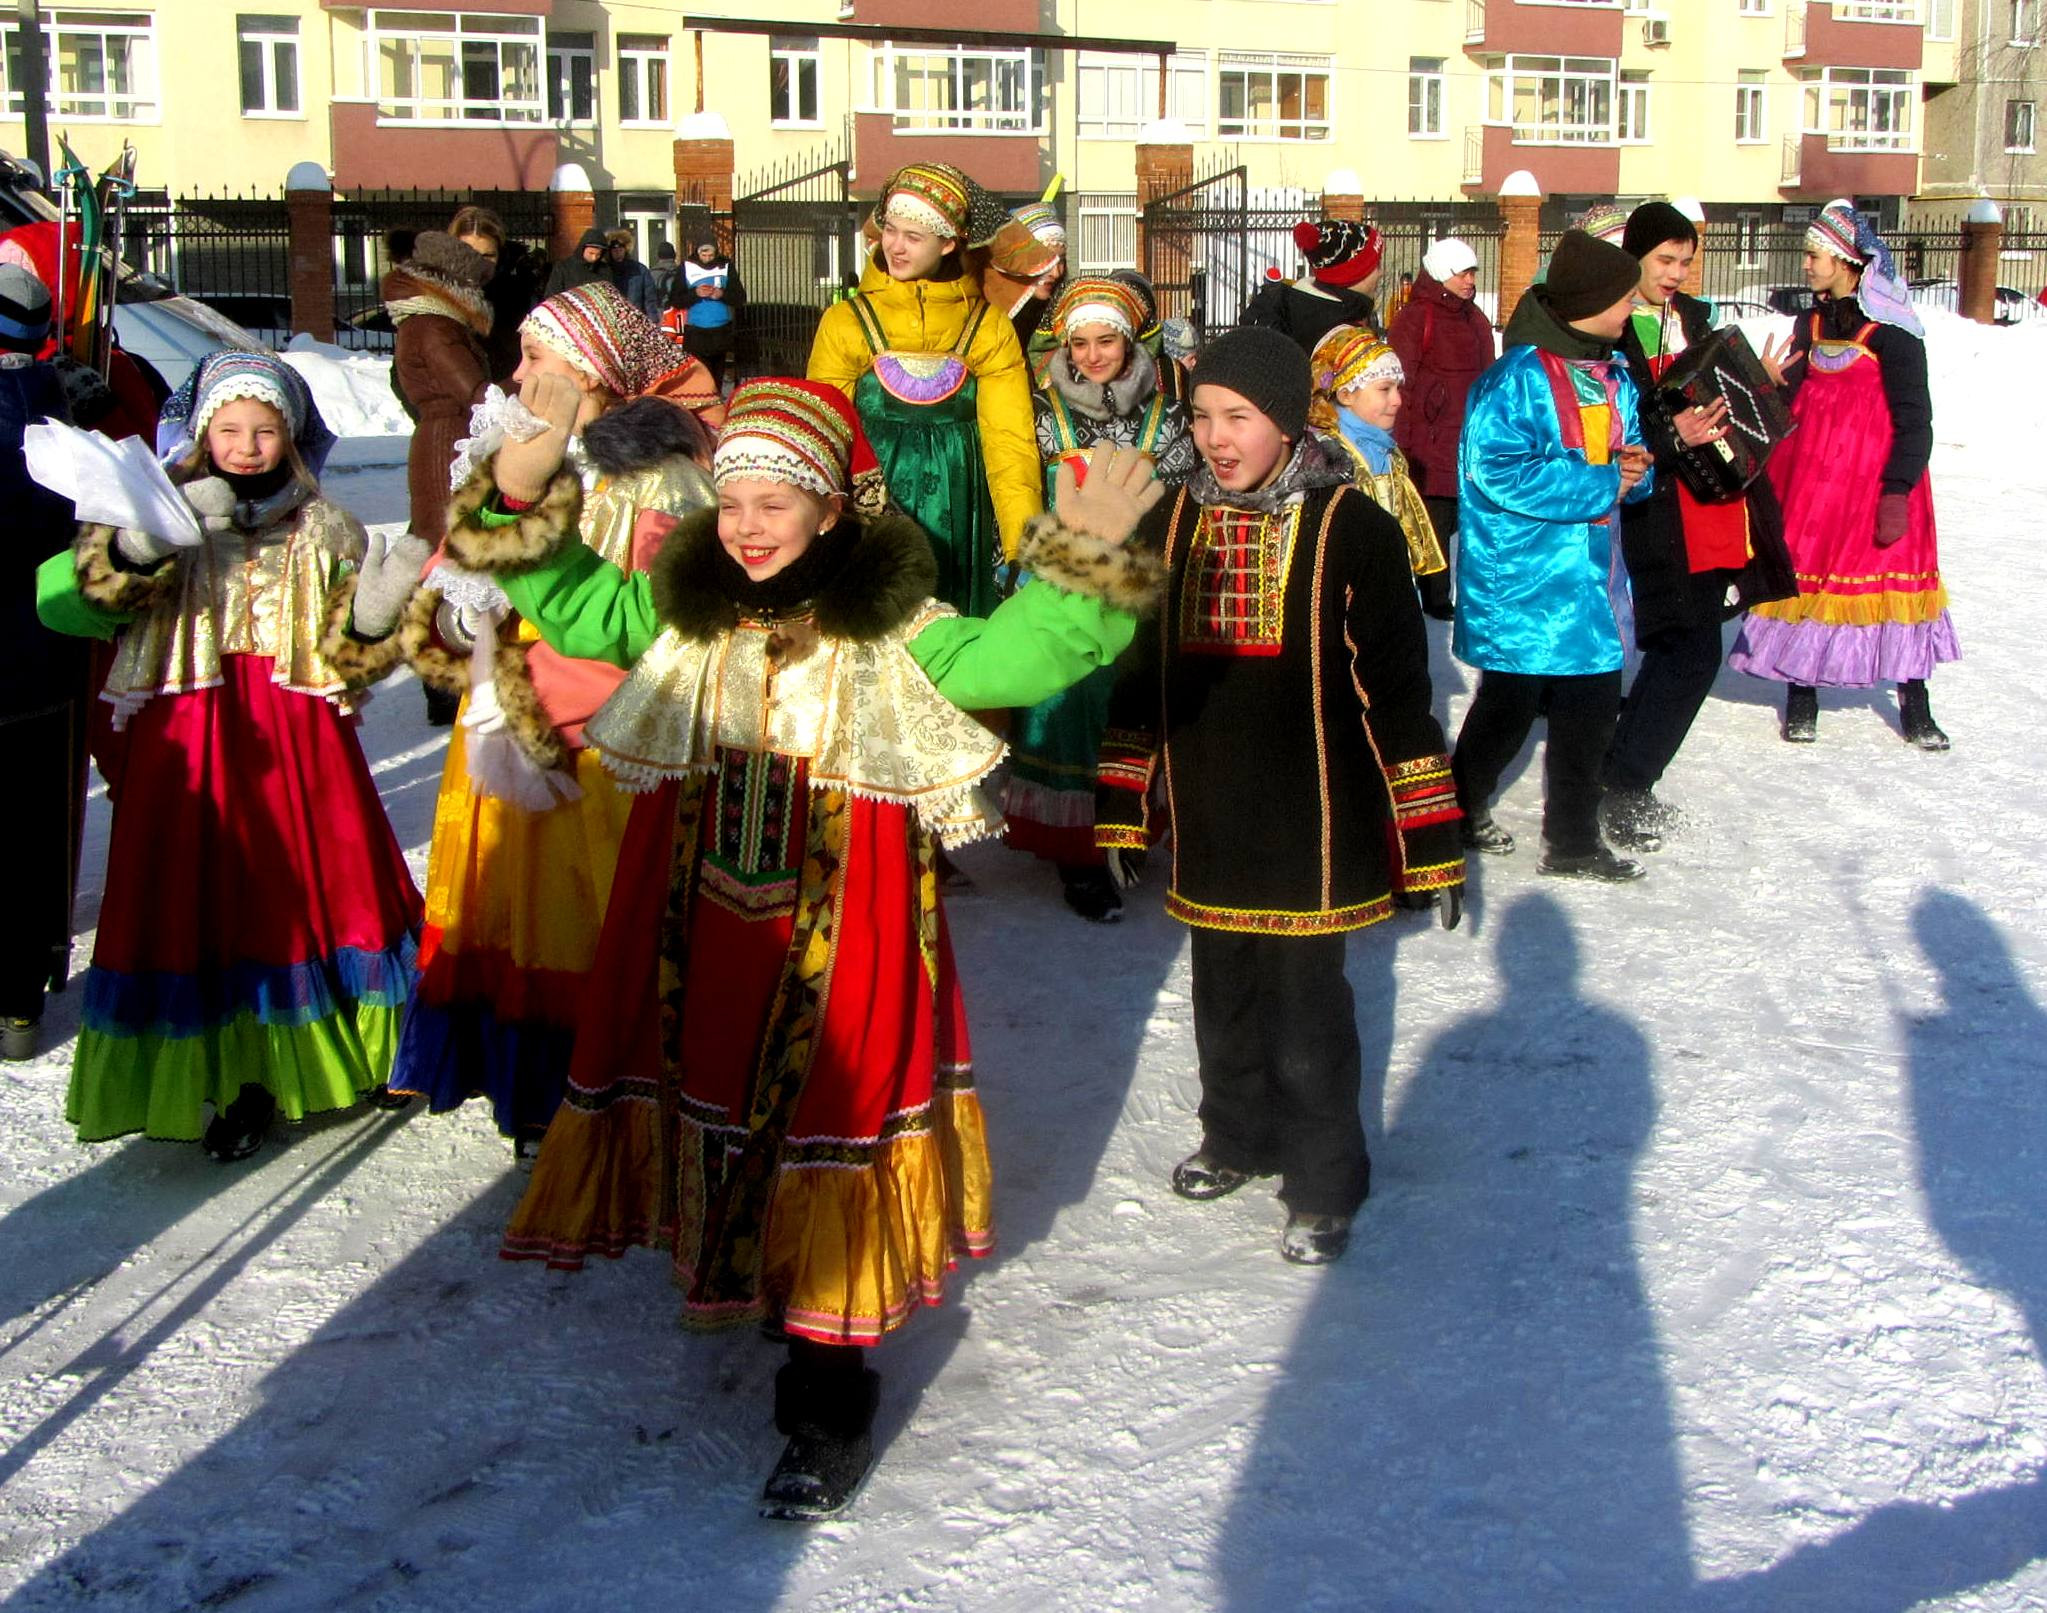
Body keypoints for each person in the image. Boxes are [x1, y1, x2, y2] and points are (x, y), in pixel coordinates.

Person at [475, 378, 1165, 1518]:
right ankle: (742, 1272)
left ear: (832, 512)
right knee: (719, 1103)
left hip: (844, 942)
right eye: (732, 497)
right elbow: (580, 607)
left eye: (775, 501)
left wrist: (1080, 562)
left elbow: (1016, 662)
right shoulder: (682, 612)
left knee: (825, 1124)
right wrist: (518, 491)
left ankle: (824, 1399)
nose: (746, 522)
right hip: (697, 924)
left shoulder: (894, 635)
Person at [1094, 325, 1465, 1266]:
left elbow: (1394, 694)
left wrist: (1427, 833)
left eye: (1240, 417)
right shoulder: (1168, 521)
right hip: (1214, 812)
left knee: (1306, 1010)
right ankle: (1236, 1135)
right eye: (1202, 415)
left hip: (1315, 822)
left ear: (1290, 420)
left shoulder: (1354, 529)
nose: (1217, 437)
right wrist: (1124, 800)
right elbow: (1135, 674)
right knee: (1221, 992)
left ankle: (1324, 1178)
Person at [323, 283, 720, 1156]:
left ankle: (608, 1083)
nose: (517, 372)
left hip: (597, 742)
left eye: (539, 357)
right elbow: (457, 577)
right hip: (506, 723)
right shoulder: (516, 455)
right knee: (515, 905)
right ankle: (534, 1081)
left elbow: (648, 621)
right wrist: (448, 617)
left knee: (596, 910)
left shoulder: (654, 478)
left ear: (594, 375)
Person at [34, 352, 422, 1158]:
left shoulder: (325, 526)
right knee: (203, 893)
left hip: (299, 740)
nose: (246, 446)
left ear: (293, 437)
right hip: (193, 735)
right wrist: (143, 547)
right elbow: (70, 604)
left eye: (265, 431)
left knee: (325, 881)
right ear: (202, 429)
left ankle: (365, 1047)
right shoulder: (158, 510)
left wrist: (377, 622)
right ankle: (237, 1072)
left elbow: (352, 654)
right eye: (230, 428)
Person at [1450, 230, 1656, 883]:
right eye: (1624, 298)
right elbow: (1497, 471)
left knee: (1592, 708)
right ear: (1588, 301)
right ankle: (1452, 810)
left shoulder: (1611, 373)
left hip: (1588, 581)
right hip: (1523, 583)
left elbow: (1628, 464)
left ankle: (1571, 840)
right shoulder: (1514, 380)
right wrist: (1602, 479)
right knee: (1507, 706)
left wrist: (1636, 469)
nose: (1632, 310)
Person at [1728, 198, 1957, 748]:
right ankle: (1801, 692)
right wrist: (1770, 381)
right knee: (1806, 577)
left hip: (1874, 483)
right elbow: (1794, 399)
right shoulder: (1809, 323)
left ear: (1847, 260)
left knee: (1890, 587)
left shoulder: (1893, 332)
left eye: (1814, 256)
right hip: (1811, 481)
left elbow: (1915, 419)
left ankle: (1915, 701)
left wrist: (1898, 488)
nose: (1806, 265)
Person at [1603, 202, 1797, 848]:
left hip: (1715, 504)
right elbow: (1613, 421)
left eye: (1685, 261)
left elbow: (1726, 401)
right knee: (1690, 648)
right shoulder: (1615, 327)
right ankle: (1623, 780)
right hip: (1658, 507)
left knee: (1682, 645)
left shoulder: (1692, 318)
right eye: (1664, 259)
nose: (1676, 272)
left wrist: (1760, 383)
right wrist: (1665, 432)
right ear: (1634, 255)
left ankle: (1622, 773)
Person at [1007, 274, 1196, 922]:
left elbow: (1181, 500)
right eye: (1079, 342)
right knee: (1073, 705)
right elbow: (1022, 495)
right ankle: (1079, 854)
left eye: (1105, 340)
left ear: (1129, 340)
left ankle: (1129, 827)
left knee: (1139, 707)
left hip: (1144, 578)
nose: (1091, 355)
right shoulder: (1038, 413)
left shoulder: (1169, 412)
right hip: (1068, 578)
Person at [807, 161, 1041, 619]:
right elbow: (821, 431)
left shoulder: (987, 328)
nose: (894, 246)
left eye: (913, 237)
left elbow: (1010, 441)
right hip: (869, 508)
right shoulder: (846, 322)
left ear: (949, 242)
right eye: (890, 230)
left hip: (958, 511)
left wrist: (1022, 545)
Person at [0, 267, 83, 1061]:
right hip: (42, 651)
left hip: (25, 651)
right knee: (29, 826)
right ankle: (20, 994)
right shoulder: (57, 398)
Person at [384, 229, 494, 727]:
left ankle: (444, 667)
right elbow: (472, 389)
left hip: (444, 434)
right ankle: (441, 674)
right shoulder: (434, 324)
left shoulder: (426, 320)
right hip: (450, 440)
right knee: (446, 550)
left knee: (447, 545)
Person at [1388, 235, 1491, 621]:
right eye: (1463, 272)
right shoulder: (1417, 317)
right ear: (1442, 273)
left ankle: (1464, 593)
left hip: (1468, 437)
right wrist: (1405, 441)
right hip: (1430, 440)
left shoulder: (1474, 317)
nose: (1469, 280)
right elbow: (1403, 383)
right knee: (1436, 522)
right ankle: (1435, 596)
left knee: (1467, 522)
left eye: (1472, 273)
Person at [1308, 324, 1450, 594]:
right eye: (1384, 389)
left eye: (1397, 388)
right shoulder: (1328, 457)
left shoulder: (1387, 451)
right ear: (1346, 394)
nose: (1397, 400)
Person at [1239, 219, 1385, 354]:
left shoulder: (1298, 307)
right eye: (1376, 265)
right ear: (1354, 273)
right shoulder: (1334, 325)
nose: (1381, 273)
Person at [449, 204, 542, 387]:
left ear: (500, 255)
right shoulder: (435, 294)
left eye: (487, 256)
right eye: (469, 254)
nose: (478, 265)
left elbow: (537, 358)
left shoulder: (518, 296)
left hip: (507, 403)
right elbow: (408, 369)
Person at [668, 233, 747, 389]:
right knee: (699, 377)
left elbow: (739, 297)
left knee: (717, 378)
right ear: (697, 252)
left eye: (711, 254)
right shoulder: (687, 267)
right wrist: (695, 294)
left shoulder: (726, 266)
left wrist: (721, 294)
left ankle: (716, 403)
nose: (707, 258)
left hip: (720, 331)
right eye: (704, 254)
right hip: (696, 332)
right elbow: (675, 300)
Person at [604, 229, 661, 321]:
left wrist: (653, 321)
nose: (617, 251)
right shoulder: (605, 271)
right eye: (614, 249)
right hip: (612, 321)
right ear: (609, 251)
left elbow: (650, 299)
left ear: (626, 249)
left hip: (635, 320)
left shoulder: (639, 270)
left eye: (620, 248)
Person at [544, 227, 610, 298]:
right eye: (591, 253)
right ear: (582, 249)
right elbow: (551, 295)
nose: (594, 258)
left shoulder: (604, 270)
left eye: (598, 255)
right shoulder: (563, 268)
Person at [651, 239, 679, 304]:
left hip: (658, 310)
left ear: (658, 255)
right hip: (676, 311)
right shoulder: (682, 272)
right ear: (674, 255)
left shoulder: (651, 274)